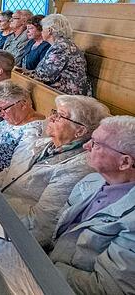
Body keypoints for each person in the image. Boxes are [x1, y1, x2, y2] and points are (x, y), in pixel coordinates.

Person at [0, 95, 110, 244]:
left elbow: (41, 225)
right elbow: (6, 174)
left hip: (12, 234)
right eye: (54, 112)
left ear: (80, 131)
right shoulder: (43, 143)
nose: (50, 117)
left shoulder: (78, 168)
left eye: (60, 116)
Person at [46, 116, 135, 295]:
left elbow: (107, 289)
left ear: (125, 162)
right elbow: (54, 231)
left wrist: (41, 265)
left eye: (95, 144)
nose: (85, 146)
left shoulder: (131, 221)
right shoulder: (91, 180)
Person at [0, 81, 45, 175]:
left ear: (23, 104)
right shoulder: (13, 119)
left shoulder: (33, 133)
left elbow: (13, 174)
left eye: (3, 109)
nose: (0, 114)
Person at [27, 14, 91, 96]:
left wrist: (27, 74)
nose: (41, 32)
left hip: (69, 93)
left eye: (42, 29)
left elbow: (46, 75)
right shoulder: (59, 44)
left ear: (50, 30)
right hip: (60, 88)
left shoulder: (62, 47)